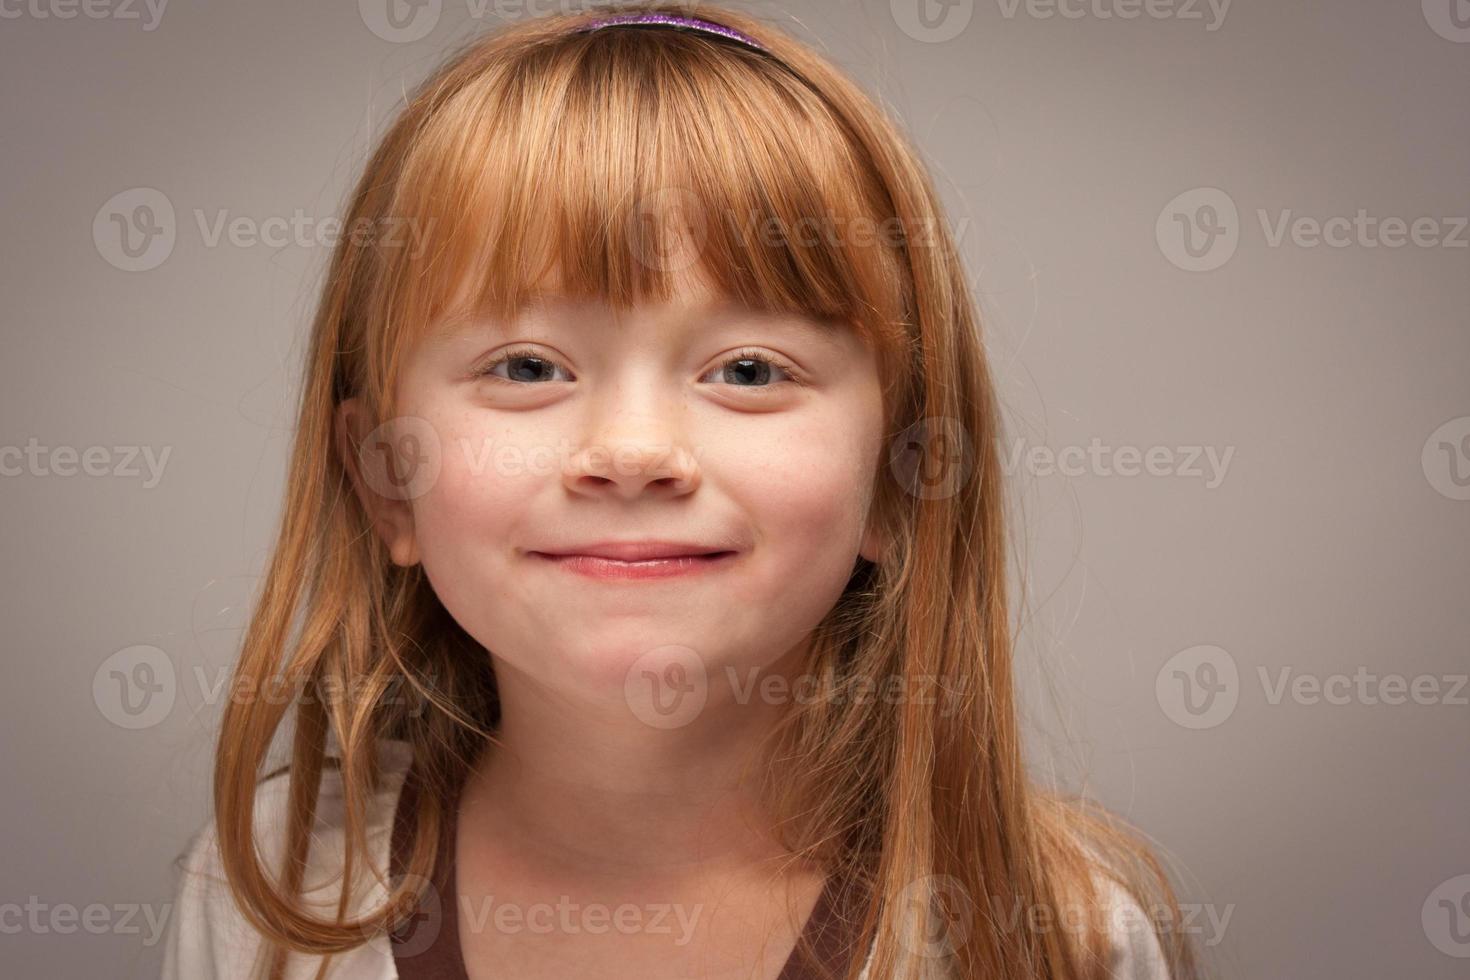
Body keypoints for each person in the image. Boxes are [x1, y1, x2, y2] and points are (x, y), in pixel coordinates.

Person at [160, 5, 1203, 978]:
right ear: (385, 479)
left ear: (901, 476)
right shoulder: (270, 887)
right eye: (526, 367)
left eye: (748, 371)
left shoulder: (1048, 936)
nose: (632, 450)